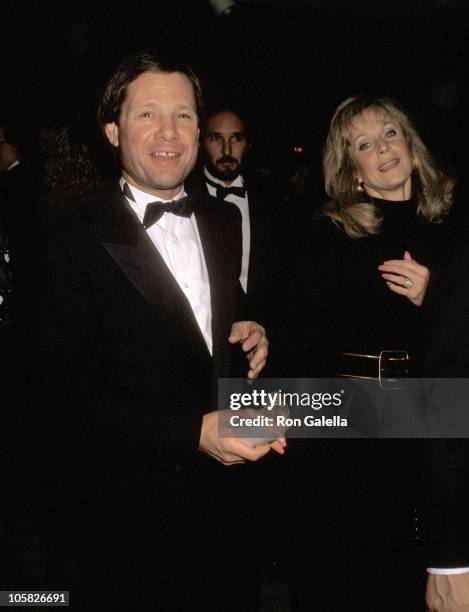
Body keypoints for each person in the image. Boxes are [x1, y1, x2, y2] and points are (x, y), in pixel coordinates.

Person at [33, 51, 284, 611]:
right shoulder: (71, 242)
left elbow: (213, 327)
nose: (169, 132)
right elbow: (60, 396)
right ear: (112, 130)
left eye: (184, 115)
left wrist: (253, 332)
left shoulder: (218, 222)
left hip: (229, 515)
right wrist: (188, 433)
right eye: (148, 115)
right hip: (130, 524)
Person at [286, 96, 454, 611]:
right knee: (347, 578)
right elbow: (298, 338)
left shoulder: (454, 224)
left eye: (389, 133)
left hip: (433, 419)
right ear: (351, 169)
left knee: (424, 574)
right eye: (364, 144)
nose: (382, 148)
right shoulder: (330, 231)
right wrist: (271, 416)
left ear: (410, 141)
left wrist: (436, 299)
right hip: (348, 427)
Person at [186, 107, 284, 326]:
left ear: (248, 143)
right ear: (201, 142)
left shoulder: (273, 198)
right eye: (215, 138)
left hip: (264, 330)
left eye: (236, 139)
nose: (227, 150)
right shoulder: (182, 195)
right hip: (203, 328)